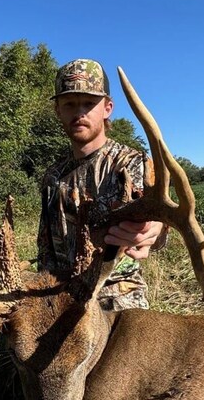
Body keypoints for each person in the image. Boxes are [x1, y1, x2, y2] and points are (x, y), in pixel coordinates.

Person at [37, 59, 166, 310]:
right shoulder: (53, 176)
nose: (79, 113)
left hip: (116, 295)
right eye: (70, 104)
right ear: (58, 111)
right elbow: (46, 250)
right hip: (62, 294)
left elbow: (156, 226)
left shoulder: (131, 163)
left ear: (107, 108)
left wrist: (155, 230)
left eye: (88, 103)